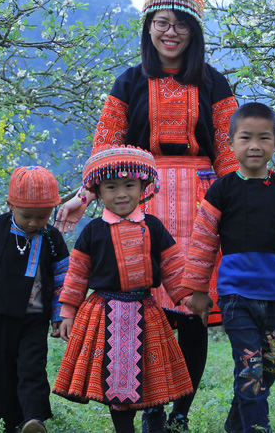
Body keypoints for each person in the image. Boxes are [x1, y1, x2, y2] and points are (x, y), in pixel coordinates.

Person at [56, 0, 238, 432]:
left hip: (200, 203)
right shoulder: (129, 81)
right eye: (161, 23)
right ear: (148, 28)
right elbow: (106, 146)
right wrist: (84, 196)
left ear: (194, 31)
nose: (170, 33)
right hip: (138, 203)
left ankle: (180, 413)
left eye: (180, 25)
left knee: (191, 311)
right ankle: (151, 404)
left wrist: (240, 204)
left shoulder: (213, 82)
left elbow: (229, 151)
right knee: (143, 309)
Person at [182, 102, 275, 433]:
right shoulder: (222, 190)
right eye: (246, 138)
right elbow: (203, 242)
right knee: (250, 369)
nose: (255, 146)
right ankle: (257, 428)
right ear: (231, 144)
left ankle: (235, 427)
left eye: (264, 138)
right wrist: (199, 292)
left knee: (267, 371)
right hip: (236, 299)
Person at [53, 146, 194, 433]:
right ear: (98, 192)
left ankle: (155, 423)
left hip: (146, 310)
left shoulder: (152, 226)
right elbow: (77, 275)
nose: (121, 194)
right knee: (115, 376)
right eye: (111, 186)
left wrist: (188, 298)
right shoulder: (92, 231)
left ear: (143, 186)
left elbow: (172, 266)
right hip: (105, 314)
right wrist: (67, 311)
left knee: (152, 375)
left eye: (129, 185)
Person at [0, 165, 69, 433]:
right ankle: (4, 422)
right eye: (27, 216)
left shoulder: (52, 238)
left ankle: (34, 419)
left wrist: (60, 314)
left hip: (34, 319)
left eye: (42, 216)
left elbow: (63, 278)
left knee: (32, 367)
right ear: (11, 206)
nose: (34, 223)